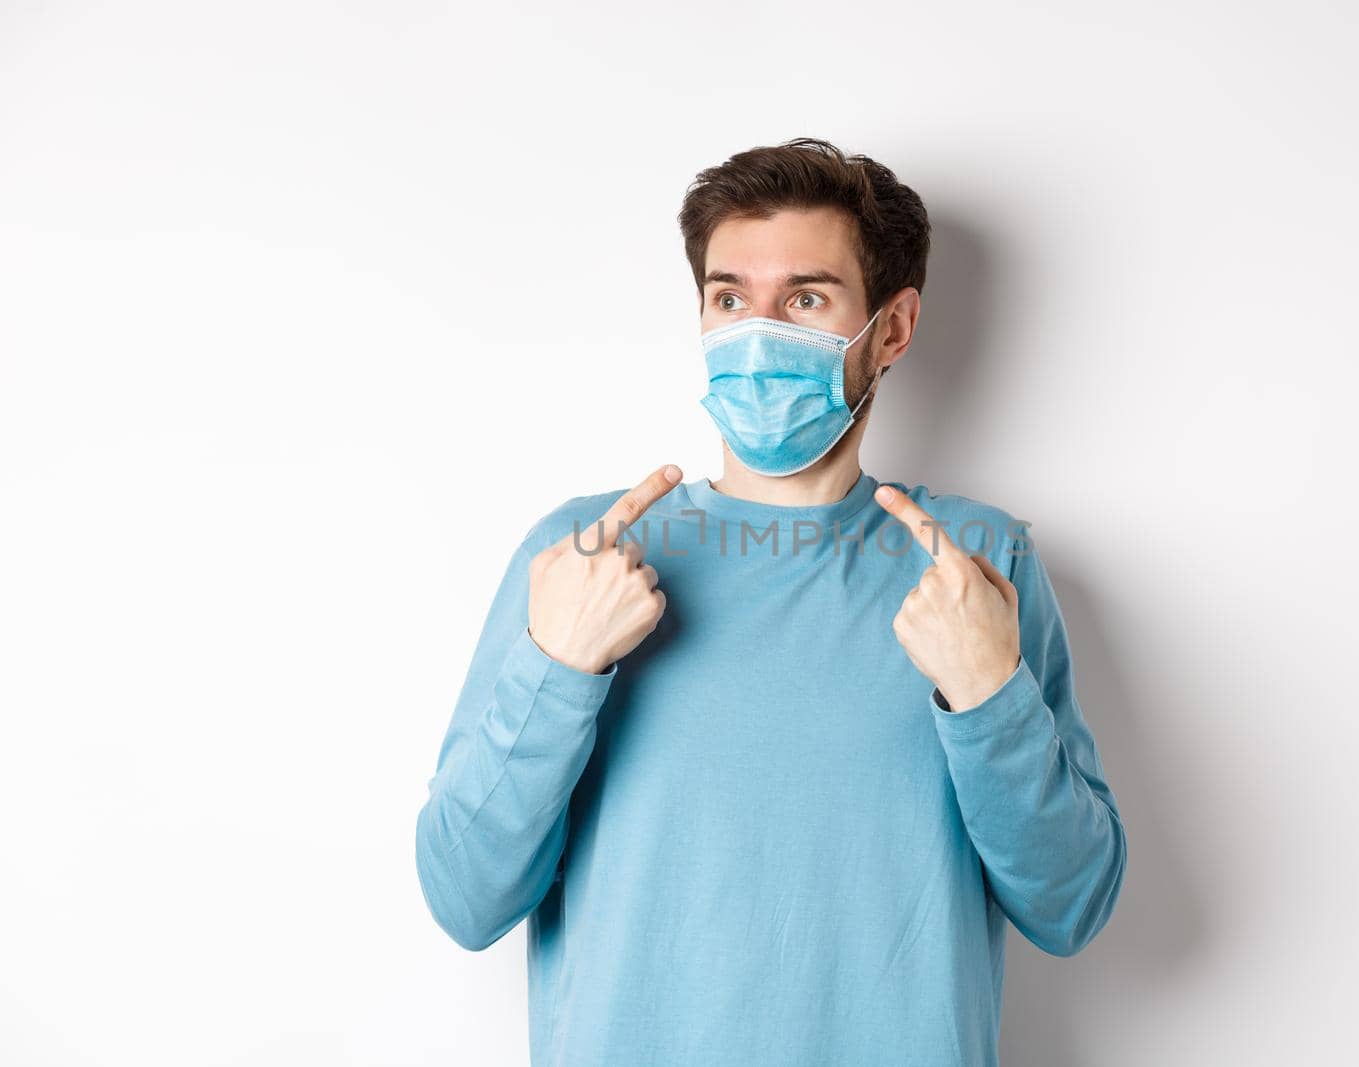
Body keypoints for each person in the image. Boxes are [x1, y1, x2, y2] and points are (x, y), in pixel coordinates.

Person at [414, 137, 1127, 1066]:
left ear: (894, 328)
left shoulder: (975, 564)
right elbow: (466, 899)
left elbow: (1071, 906)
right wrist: (557, 669)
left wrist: (990, 693)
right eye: (728, 297)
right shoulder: (586, 556)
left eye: (804, 298)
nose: (757, 331)